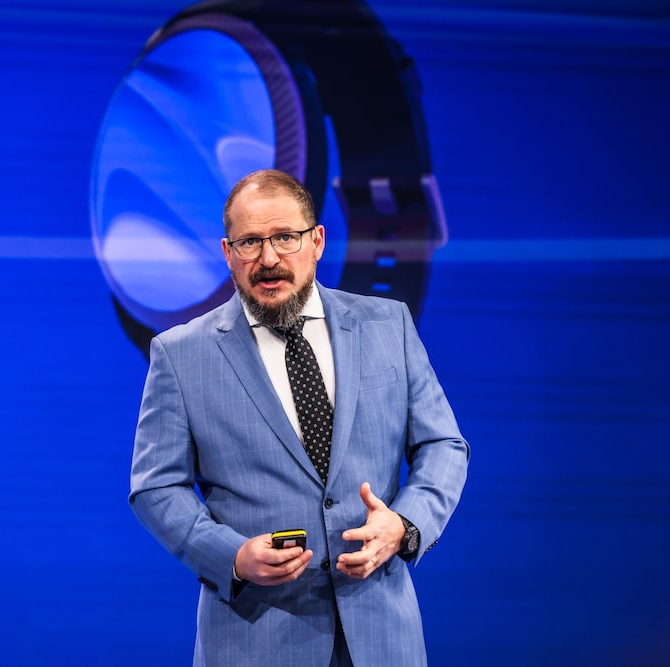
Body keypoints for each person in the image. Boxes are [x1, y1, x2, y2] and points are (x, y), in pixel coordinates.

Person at [129, 169, 469, 666]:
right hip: (254, 640)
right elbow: (156, 487)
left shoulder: (387, 325)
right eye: (249, 242)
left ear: (317, 241)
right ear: (228, 253)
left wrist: (404, 524)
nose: (268, 259)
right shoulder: (182, 355)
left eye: (285, 238)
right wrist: (233, 557)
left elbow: (443, 446)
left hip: (382, 639)